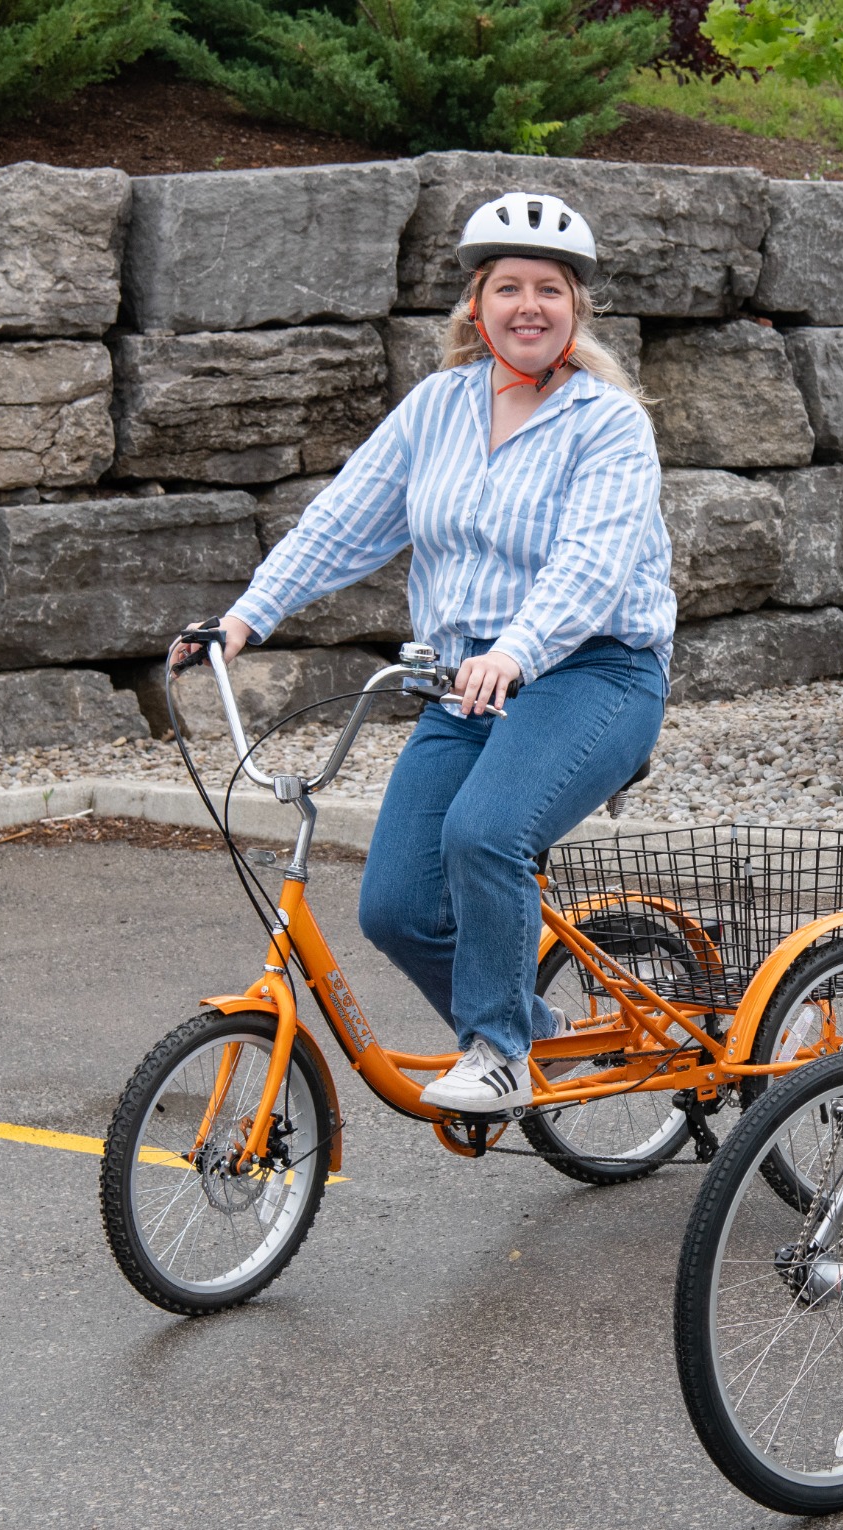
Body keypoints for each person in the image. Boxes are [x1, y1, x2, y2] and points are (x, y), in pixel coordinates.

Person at [182, 191, 675, 1116]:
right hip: (464, 680)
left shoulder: (608, 422)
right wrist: (244, 618)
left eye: (550, 290)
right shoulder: (437, 408)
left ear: (576, 307)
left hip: (595, 670)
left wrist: (518, 651)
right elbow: (342, 520)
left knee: (485, 834)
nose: (529, 306)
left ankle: (498, 1049)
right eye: (508, 287)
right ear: (476, 304)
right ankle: (536, 1028)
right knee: (396, 906)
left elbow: (592, 564)